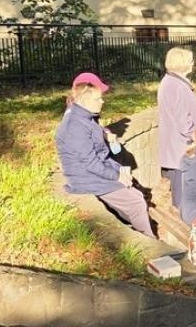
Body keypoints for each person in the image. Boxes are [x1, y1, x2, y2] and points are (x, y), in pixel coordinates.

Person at [54, 73, 155, 238]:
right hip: (86, 178)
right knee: (136, 202)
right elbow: (91, 163)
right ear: (85, 100)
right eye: (99, 98)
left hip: (96, 171)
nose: (103, 101)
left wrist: (106, 136)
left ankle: (138, 228)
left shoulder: (84, 117)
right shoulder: (76, 125)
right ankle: (149, 239)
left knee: (136, 193)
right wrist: (117, 176)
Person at [157, 46, 196, 185]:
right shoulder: (176, 85)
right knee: (183, 193)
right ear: (180, 63)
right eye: (190, 60)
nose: (192, 63)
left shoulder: (173, 82)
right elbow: (183, 121)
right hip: (182, 147)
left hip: (180, 146)